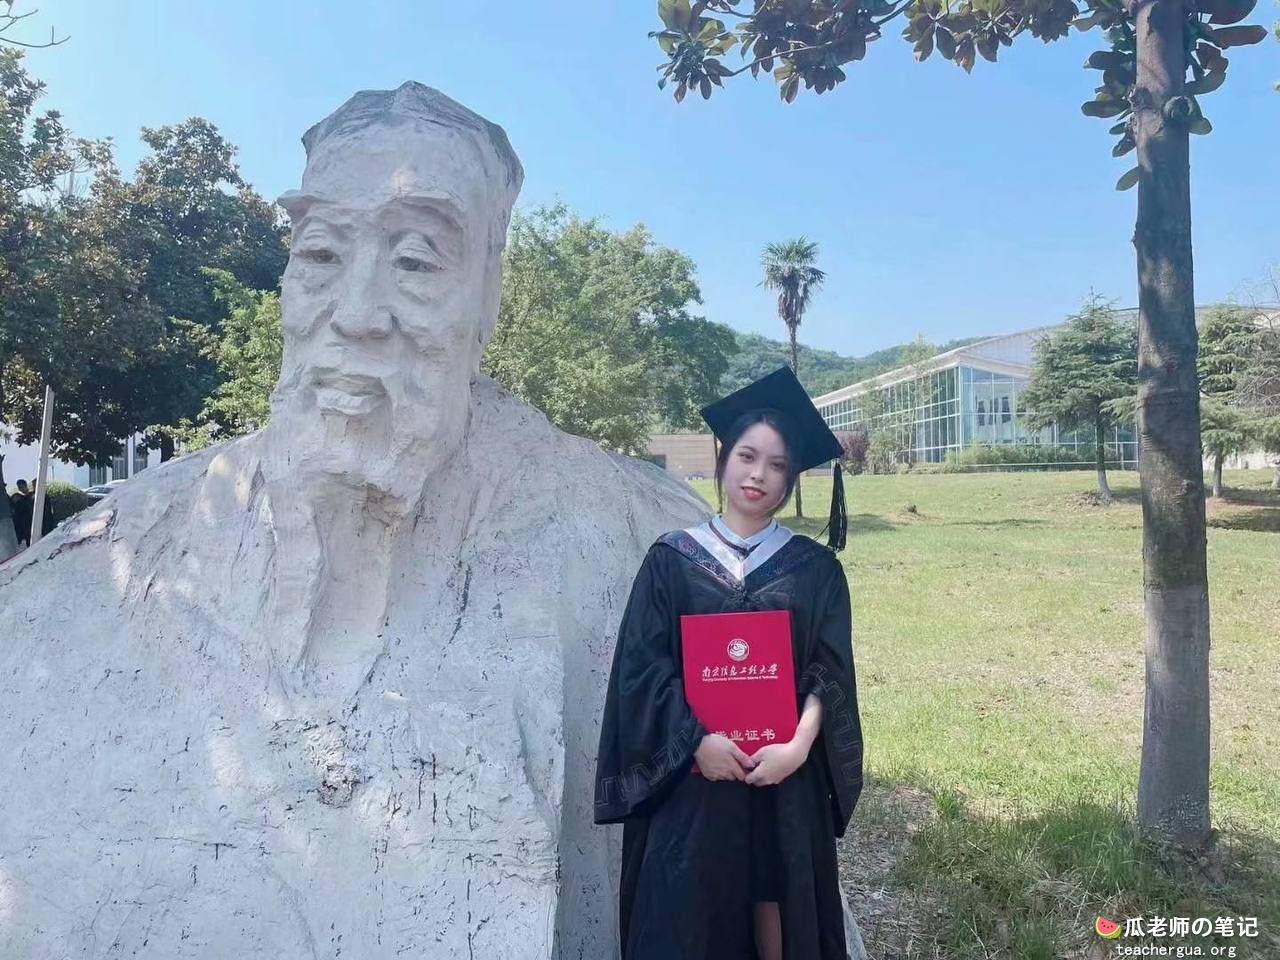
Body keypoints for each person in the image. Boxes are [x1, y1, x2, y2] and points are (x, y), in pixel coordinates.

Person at [594, 366, 865, 960]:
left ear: (790, 479)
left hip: (782, 777)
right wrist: (696, 743)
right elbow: (643, 668)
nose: (758, 474)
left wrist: (797, 748)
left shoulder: (815, 569)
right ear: (723, 460)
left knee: (779, 908)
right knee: (689, 911)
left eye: (776, 465)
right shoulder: (672, 560)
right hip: (692, 780)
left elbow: (828, 673)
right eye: (747, 456)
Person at [10, 479, 33, 546]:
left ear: (26, 485)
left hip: (30, 521)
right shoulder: (16, 497)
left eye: (22, 486)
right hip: (21, 523)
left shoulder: (31, 495)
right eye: (20, 487)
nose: (21, 488)